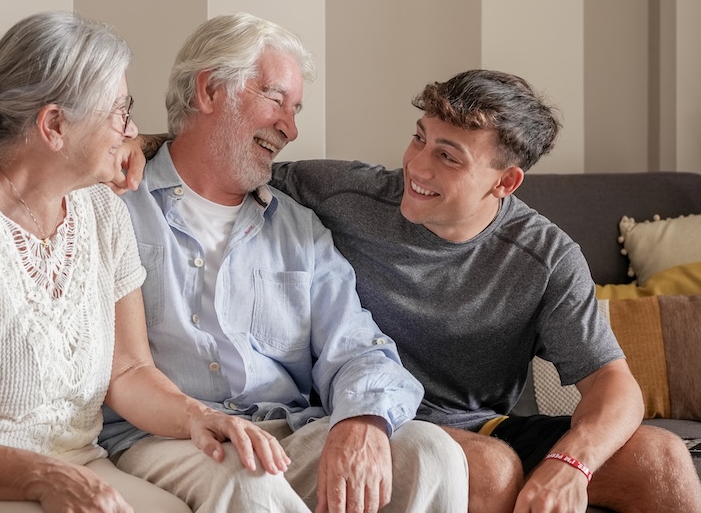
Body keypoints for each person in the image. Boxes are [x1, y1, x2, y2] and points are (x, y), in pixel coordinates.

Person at [0, 13, 469, 512]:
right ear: (208, 91)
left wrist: (362, 417)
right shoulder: (117, 197)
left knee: (432, 454)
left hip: (275, 424)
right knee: (244, 479)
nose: (290, 128)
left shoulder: (290, 222)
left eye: (297, 110)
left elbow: (130, 366)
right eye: (276, 100)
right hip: (145, 443)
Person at [0, 11, 291, 513]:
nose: (132, 130)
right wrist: (43, 477)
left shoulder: (103, 212)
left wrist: (197, 416)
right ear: (54, 125)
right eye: (121, 111)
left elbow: (130, 370)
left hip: (71, 463)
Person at [269, 69, 701, 512]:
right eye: (420, 138)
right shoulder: (345, 194)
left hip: (480, 429)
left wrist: (572, 464)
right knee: (490, 468)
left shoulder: (544, 256)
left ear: (505, 182)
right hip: (360, 416)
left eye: (448, 157)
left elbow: (613, 385)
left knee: (662, 459)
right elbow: (229, 177)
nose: (417, 166)